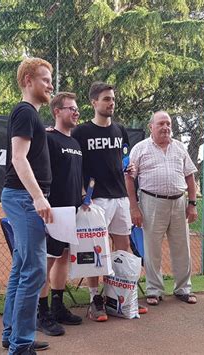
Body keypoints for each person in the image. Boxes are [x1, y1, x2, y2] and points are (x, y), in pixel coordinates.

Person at [1, 57, 54, 355]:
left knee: (22, 267)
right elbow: (18, 158)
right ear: (27, 81)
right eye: (45, 79)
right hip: (23, 198)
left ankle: (13, 336)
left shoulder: (29, 115)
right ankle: (21, 345)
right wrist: (37, 196)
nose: (50, 85)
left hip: (21, 197)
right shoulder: (24, 112)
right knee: (34, 270)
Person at [72, 82, 137, 321]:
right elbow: (74, 164)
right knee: (94, 251)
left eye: (113, 99)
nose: (111, 103)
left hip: (120, 197)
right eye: (106, 99)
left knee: (123, 248)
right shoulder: (81, 132)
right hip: (95, 199)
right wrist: (82, 195)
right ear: (94, 103)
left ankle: (118, 297)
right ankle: (94, 299)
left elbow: (124, 158)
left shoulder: (120, 130)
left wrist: (129, 167)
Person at [125, 111, 198, 306]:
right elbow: (129, 179)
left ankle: (183, 289)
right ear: (151, 126)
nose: (166, 127)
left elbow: (190, 177)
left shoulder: (180, 148)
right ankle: (154, 290)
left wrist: (192, 204)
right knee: (152, 248)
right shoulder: (139, 149)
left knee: (182, 247)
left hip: (179, 202)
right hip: (151, 202)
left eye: (168, 124)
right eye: (161, 124)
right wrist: (134, 208)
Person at [36, 92, 84, 336]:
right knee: (47, 260)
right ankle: (40, 312)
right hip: (53, 211)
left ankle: (57, 307)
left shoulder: (75, 143)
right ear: (57, 111)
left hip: (72, 211)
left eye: (77, 109)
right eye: (71, 108)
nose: (76, 112)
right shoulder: (47, 138)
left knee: (64, 256)